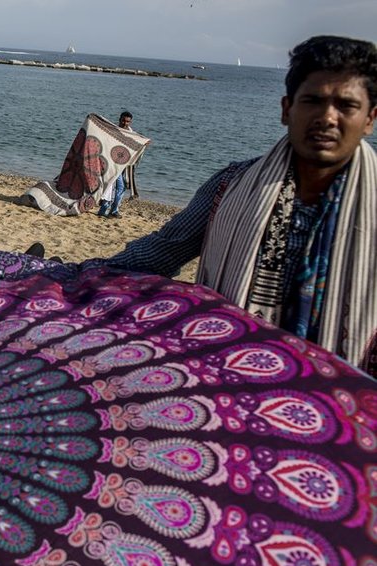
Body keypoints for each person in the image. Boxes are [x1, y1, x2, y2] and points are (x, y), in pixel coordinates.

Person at [34, 35, 377, 376]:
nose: (327, 117)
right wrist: (78, 275)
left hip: (345, 401)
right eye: (313, 101)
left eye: (346, 106)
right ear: (287, 109)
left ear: (370, 118)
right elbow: (162, 251)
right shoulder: (230, 186)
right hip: (223, 379)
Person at [96, 111, 136, 218]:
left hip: (124, 166)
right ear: (119, 119)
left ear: (130, 122)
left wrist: (144, 143)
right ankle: (109, 210)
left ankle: (111, 210)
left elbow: (135, 145)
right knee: (114, 187)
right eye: (123, 120)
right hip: (112, 164)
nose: (125, 123)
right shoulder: (113, 130)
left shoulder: (131, 134)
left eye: (127, 121)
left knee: (118, 188)